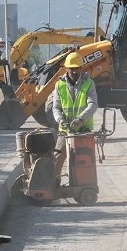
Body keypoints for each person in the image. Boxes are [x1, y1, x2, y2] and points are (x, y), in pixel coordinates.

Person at [52, 51, 98, 182]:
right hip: (65, 131)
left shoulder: (89, 83)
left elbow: (93, 105)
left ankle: (84, 184)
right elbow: (56, 108)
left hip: (83, 131)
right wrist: (60, 120)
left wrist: (81, 119)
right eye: (72, 68)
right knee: (57, 159)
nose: (75, 71)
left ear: (81, 68)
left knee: (84, 161)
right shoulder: (59, 85)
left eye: (77, 68)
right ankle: (55, 184)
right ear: (67, 68)